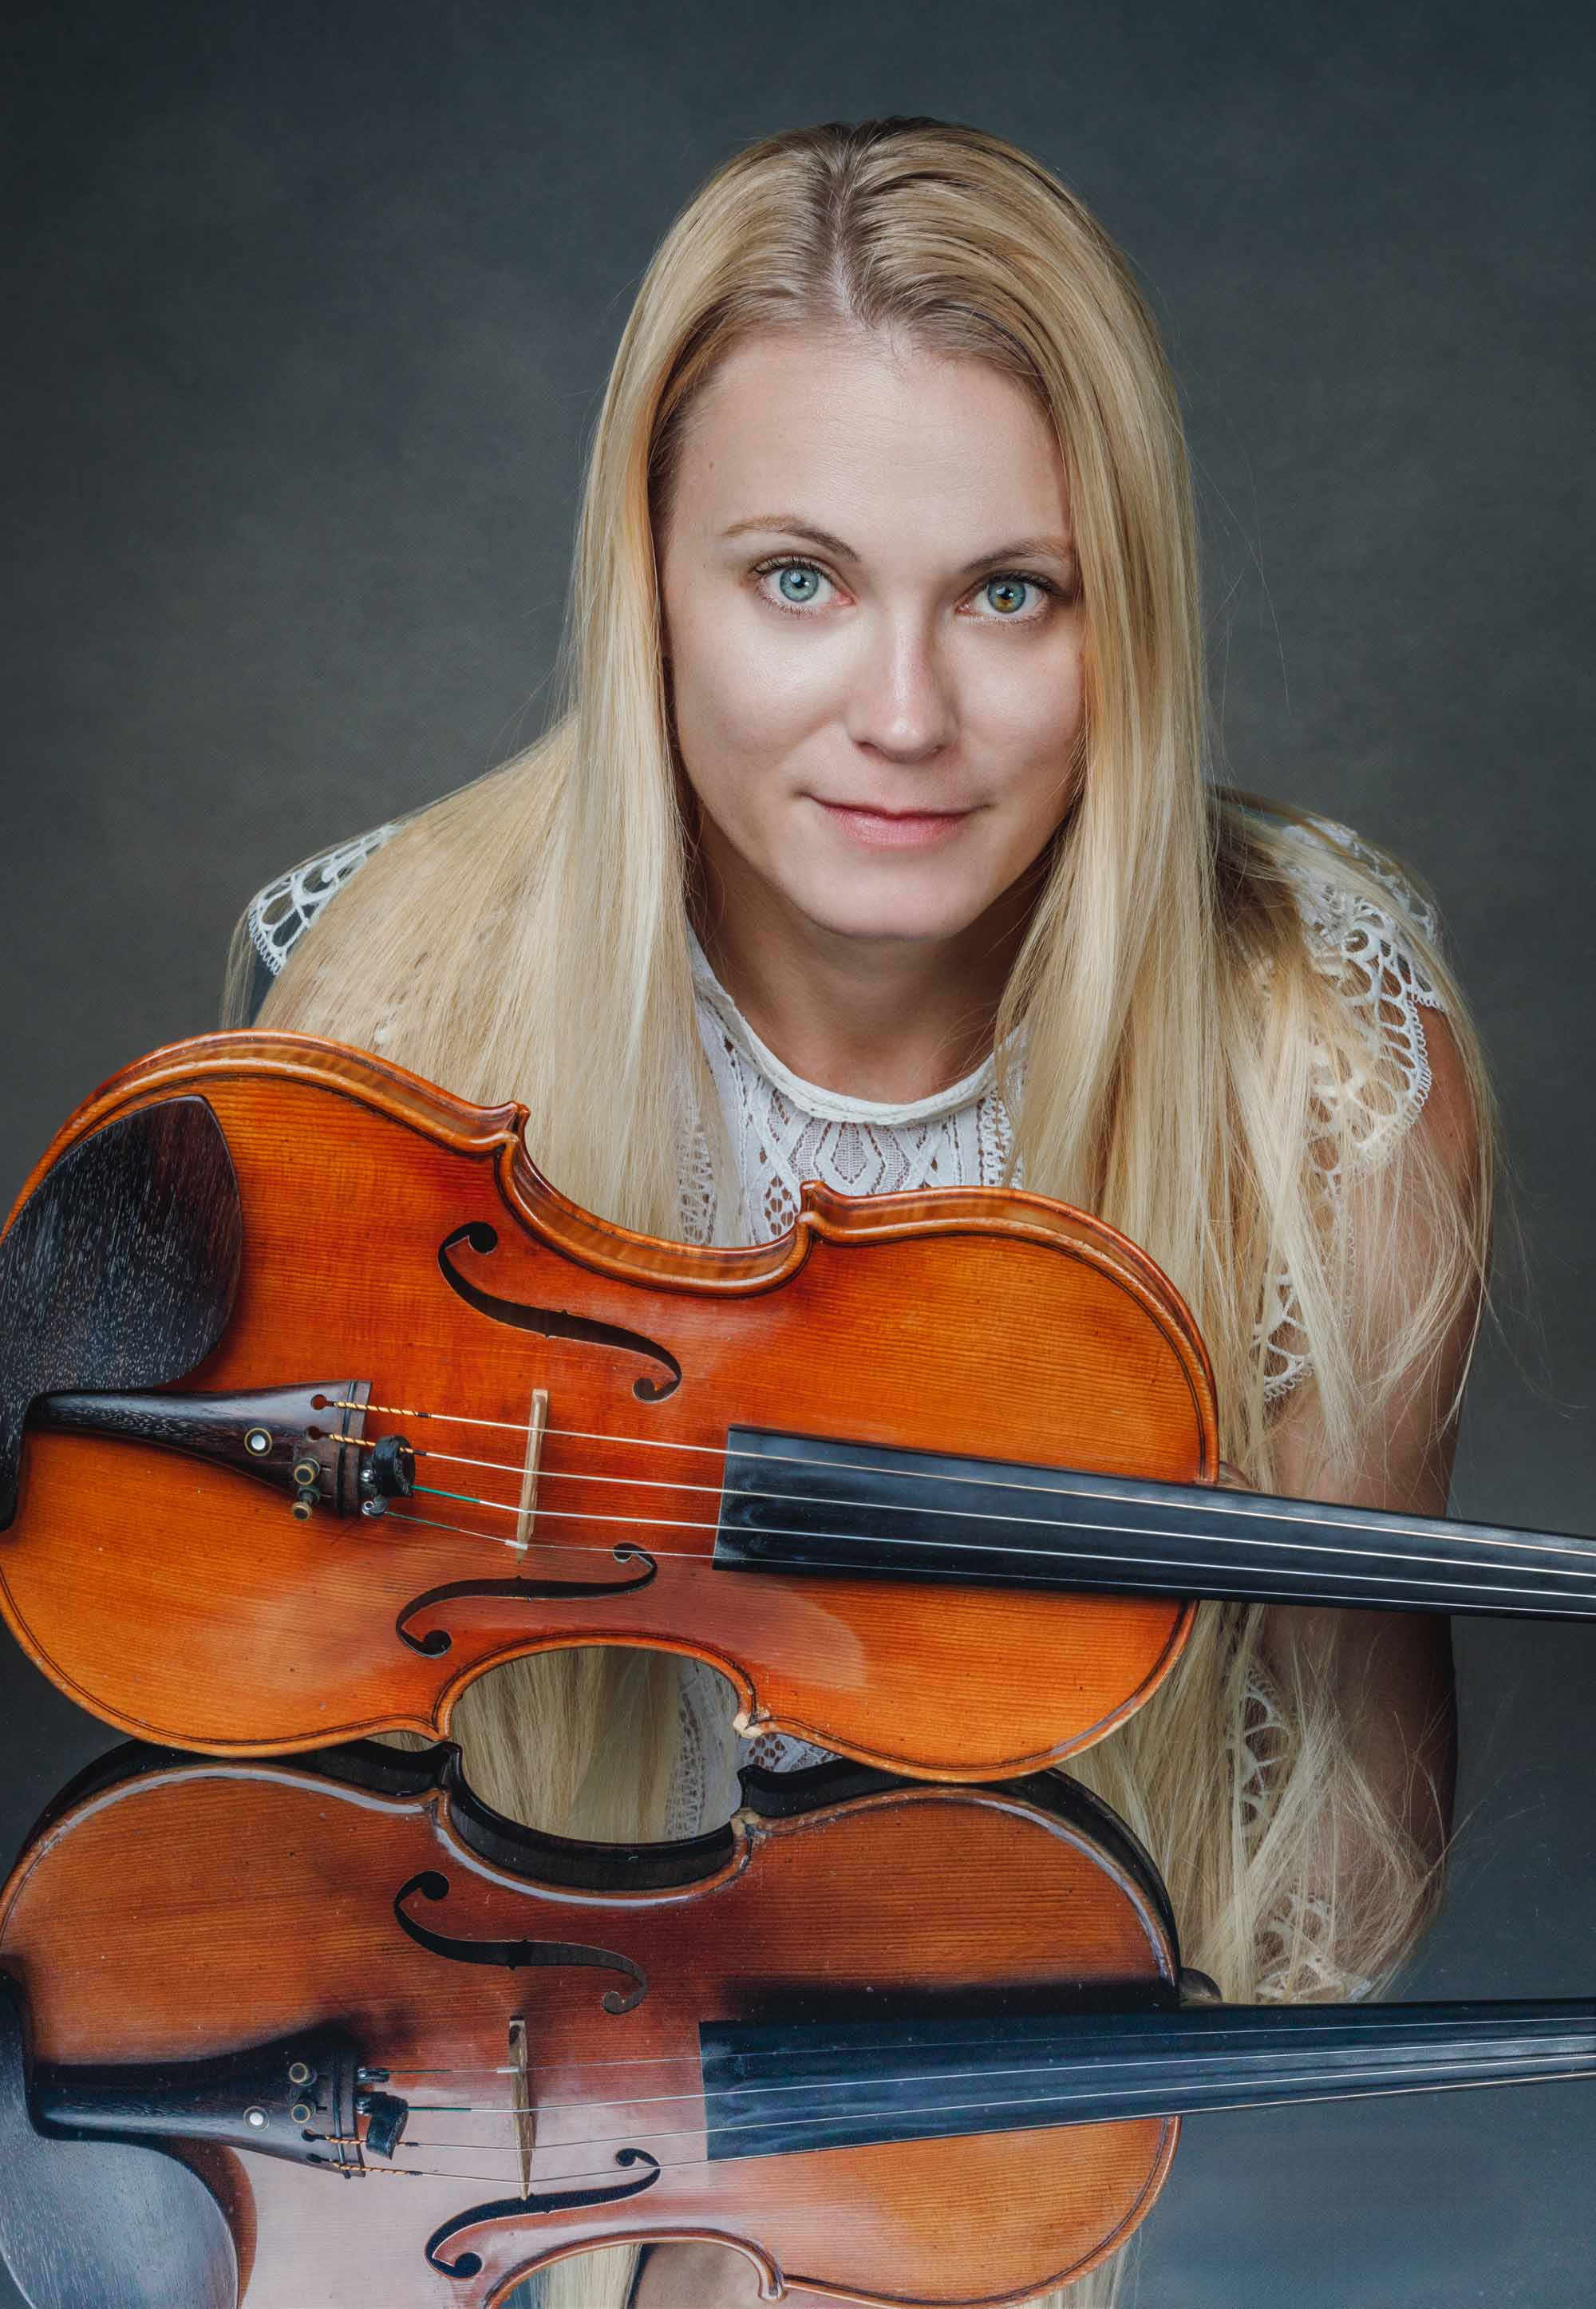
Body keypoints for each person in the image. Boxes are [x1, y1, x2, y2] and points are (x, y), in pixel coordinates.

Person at [231, 118, 1491, 2309]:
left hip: (1002, 2137)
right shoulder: (392, 997)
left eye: (1014, 591)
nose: (904, 719)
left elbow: (1338, 1847)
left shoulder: (1322, 1047)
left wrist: (938, 2085)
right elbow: (273, 1833)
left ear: (1131, 613)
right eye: (794, 578)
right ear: (649, 579)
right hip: (489, 2142)